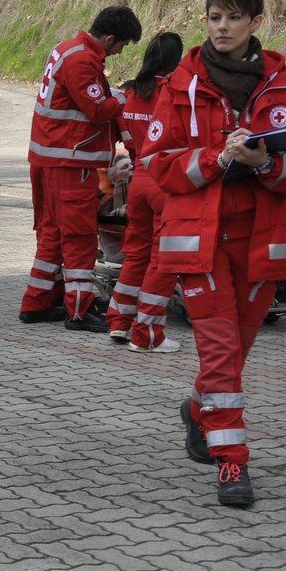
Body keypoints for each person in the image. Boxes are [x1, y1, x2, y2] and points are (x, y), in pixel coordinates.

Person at [144, 0, 286, 507]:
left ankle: (199, 411)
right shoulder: (178, 84)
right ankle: (232, 463)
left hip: (263, 242)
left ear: (254, 23)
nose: (221, 27)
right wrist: (217, 159)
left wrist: (264, 162)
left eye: (233, 18)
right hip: (199, 240)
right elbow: (156, 166)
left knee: (236, 352)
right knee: (220, 353)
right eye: (214, 17)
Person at [20, 5, 142, 331]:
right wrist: (124, 99)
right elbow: (98, 110)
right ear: (111, 38)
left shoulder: (67, 49)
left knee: (52, 235)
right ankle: (78, 311)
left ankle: (37, 302)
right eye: (122, 45)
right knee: (80, 238)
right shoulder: (82, 61)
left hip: (51, 159)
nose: (119, 52)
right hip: (72, 162)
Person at [105, 32, 185, 353]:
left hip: (136, 182)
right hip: (166, 182)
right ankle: (148, 333)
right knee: (162, 260)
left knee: (136, 254)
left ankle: (119, 322)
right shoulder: (175, 92)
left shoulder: (129, 93)